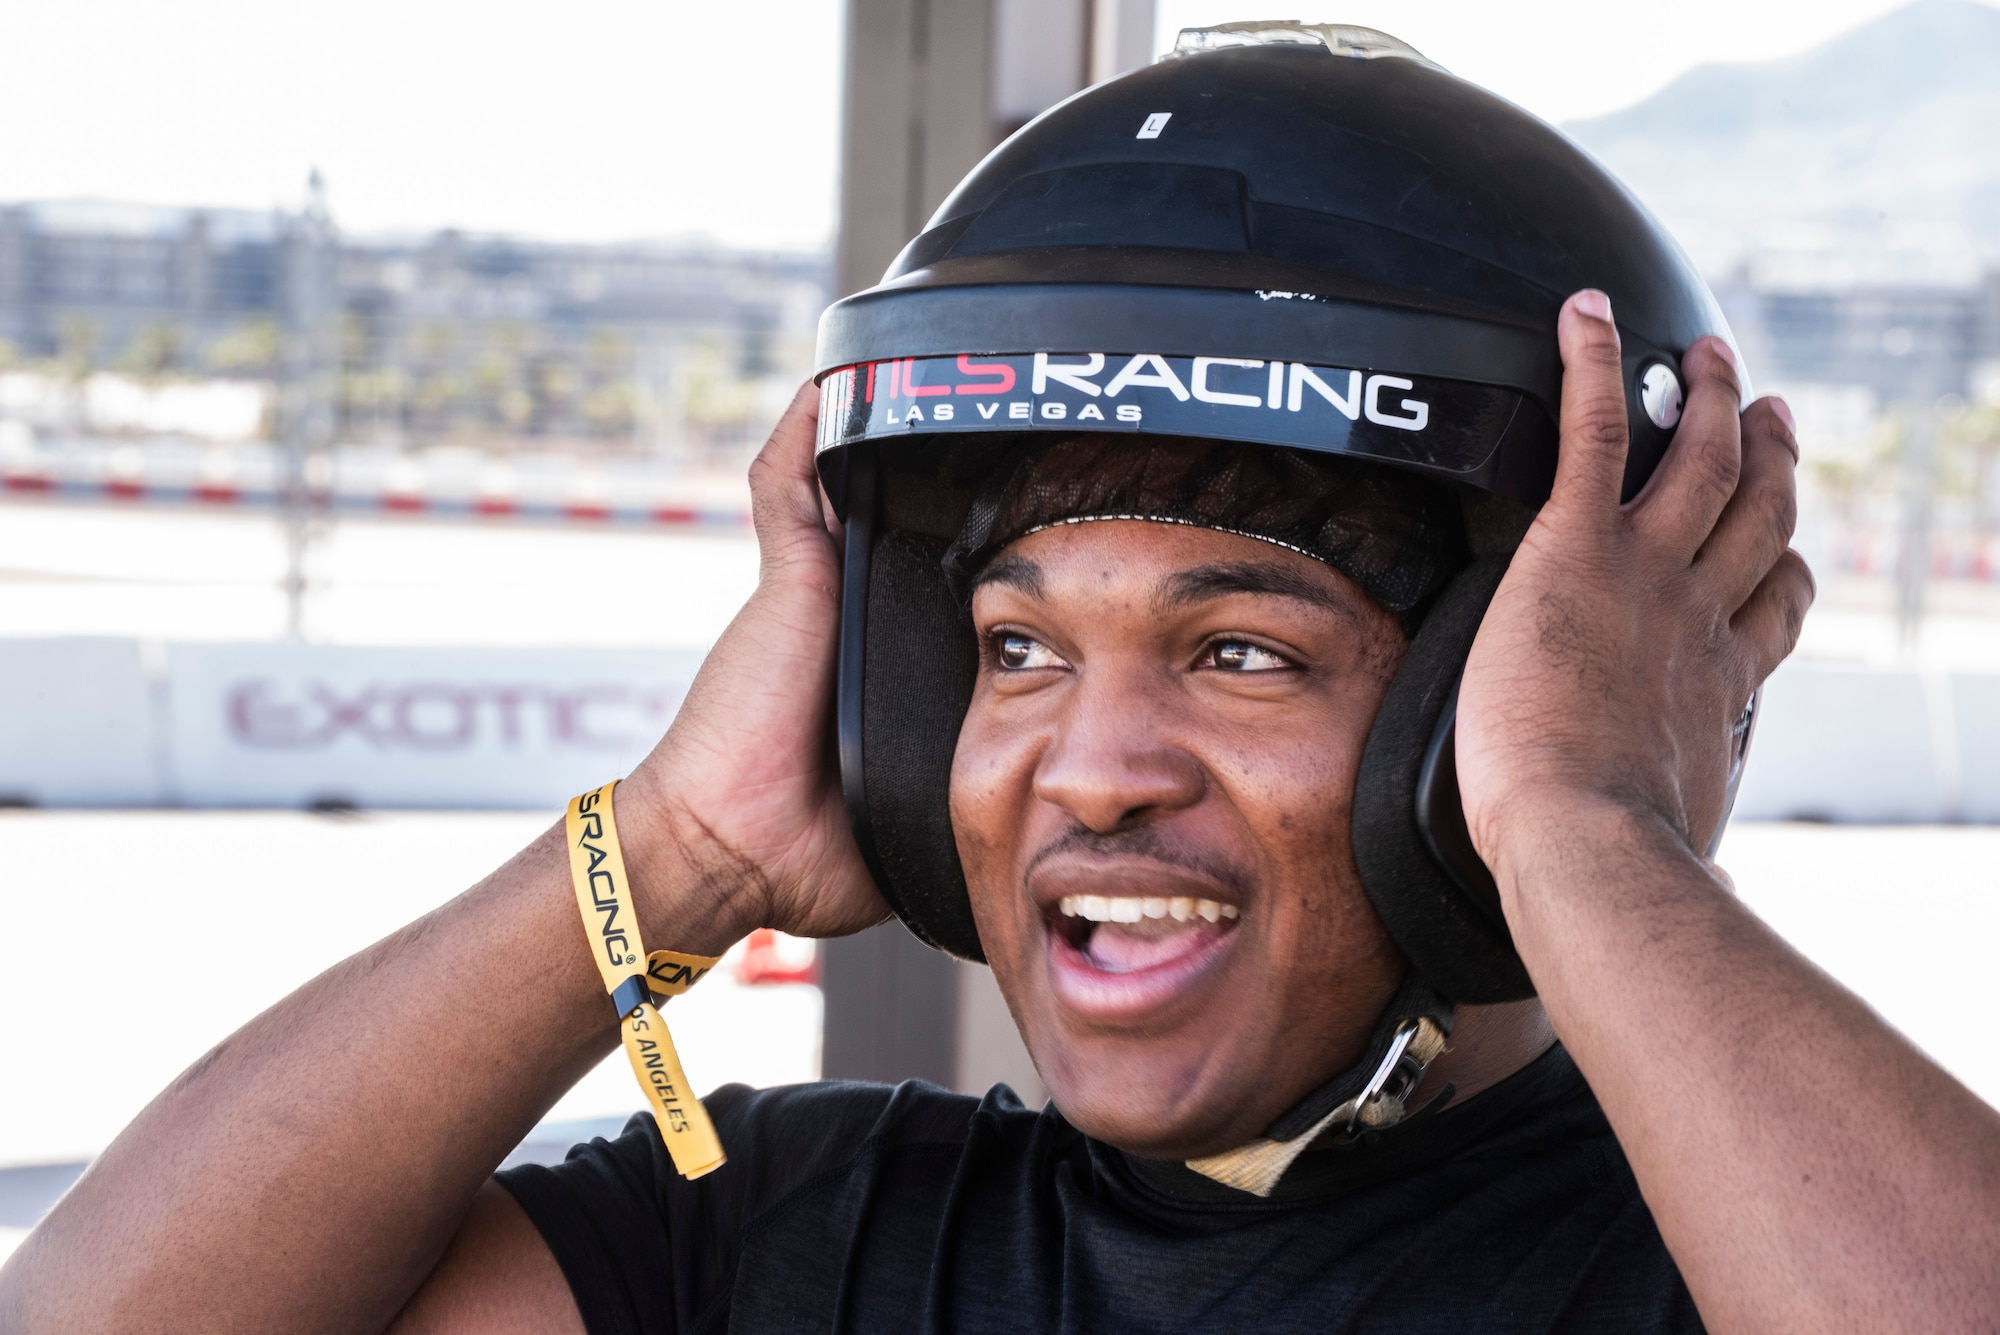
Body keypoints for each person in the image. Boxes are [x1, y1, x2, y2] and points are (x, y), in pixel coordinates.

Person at [6, 25, 2000, 1335]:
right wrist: (675, 848)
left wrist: (1586, 829)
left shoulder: (1738, 1259)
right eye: (1013, 648)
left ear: (1497, 722)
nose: (1091, 766)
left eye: (1240, 649)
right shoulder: (804, 1238)